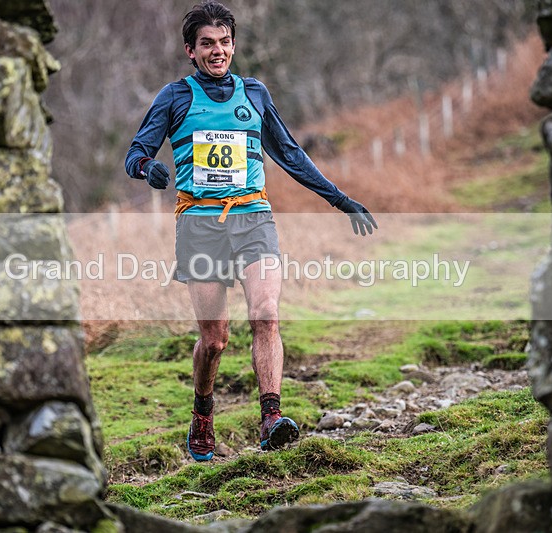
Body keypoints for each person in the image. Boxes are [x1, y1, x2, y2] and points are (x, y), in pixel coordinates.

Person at [125, 1, 377, 461]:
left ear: (234, 45)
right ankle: (203, 412)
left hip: (253, 217)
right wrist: (148, 168)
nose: (217, 51)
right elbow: (135, 153)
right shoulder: (175, 97)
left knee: (266, 312)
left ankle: (271, 418)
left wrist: (340, 200)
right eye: (207, 44)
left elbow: (291, 154)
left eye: (224, 42)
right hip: (199, 224)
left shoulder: (254, 94)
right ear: (190, 50)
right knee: (215, 340)